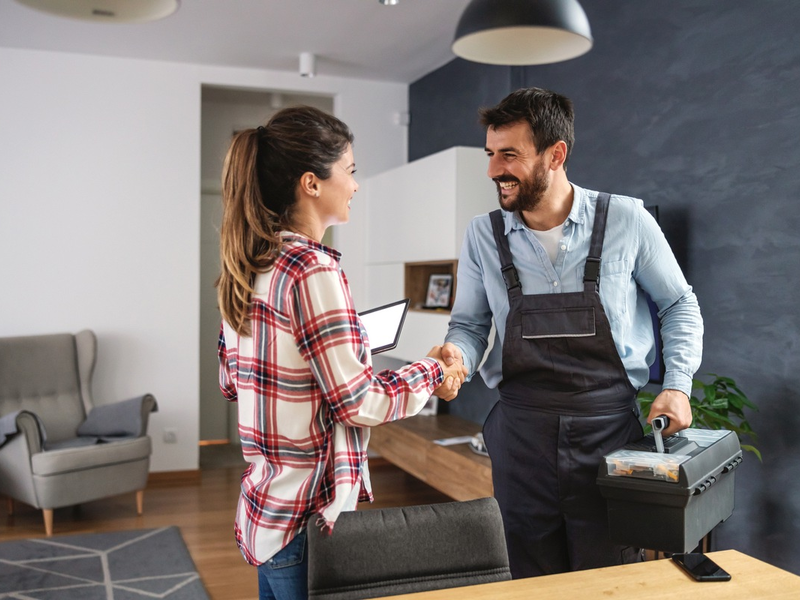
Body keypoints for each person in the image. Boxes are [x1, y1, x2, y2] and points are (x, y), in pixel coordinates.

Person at [440, 88, 703, 578]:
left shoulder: (627, 219)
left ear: (555, 154)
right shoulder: (483, 234)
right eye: (491, 154)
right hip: (520, 438)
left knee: (610, 578)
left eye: (510, 155)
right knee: (528, 578)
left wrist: (678, 384)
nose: (495, 169)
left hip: (608, 436)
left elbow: (679, 304)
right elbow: (471, 325)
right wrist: (456, 354)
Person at [215, 105, 466, 600]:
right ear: (311, 182)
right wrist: (432, 370)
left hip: (266, 512)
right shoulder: (312, 270)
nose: (354, 185)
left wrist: (341, 349)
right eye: (349, 171)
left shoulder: (249, 265)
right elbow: (359, 404)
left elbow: (234, 380)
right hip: (309, 521)